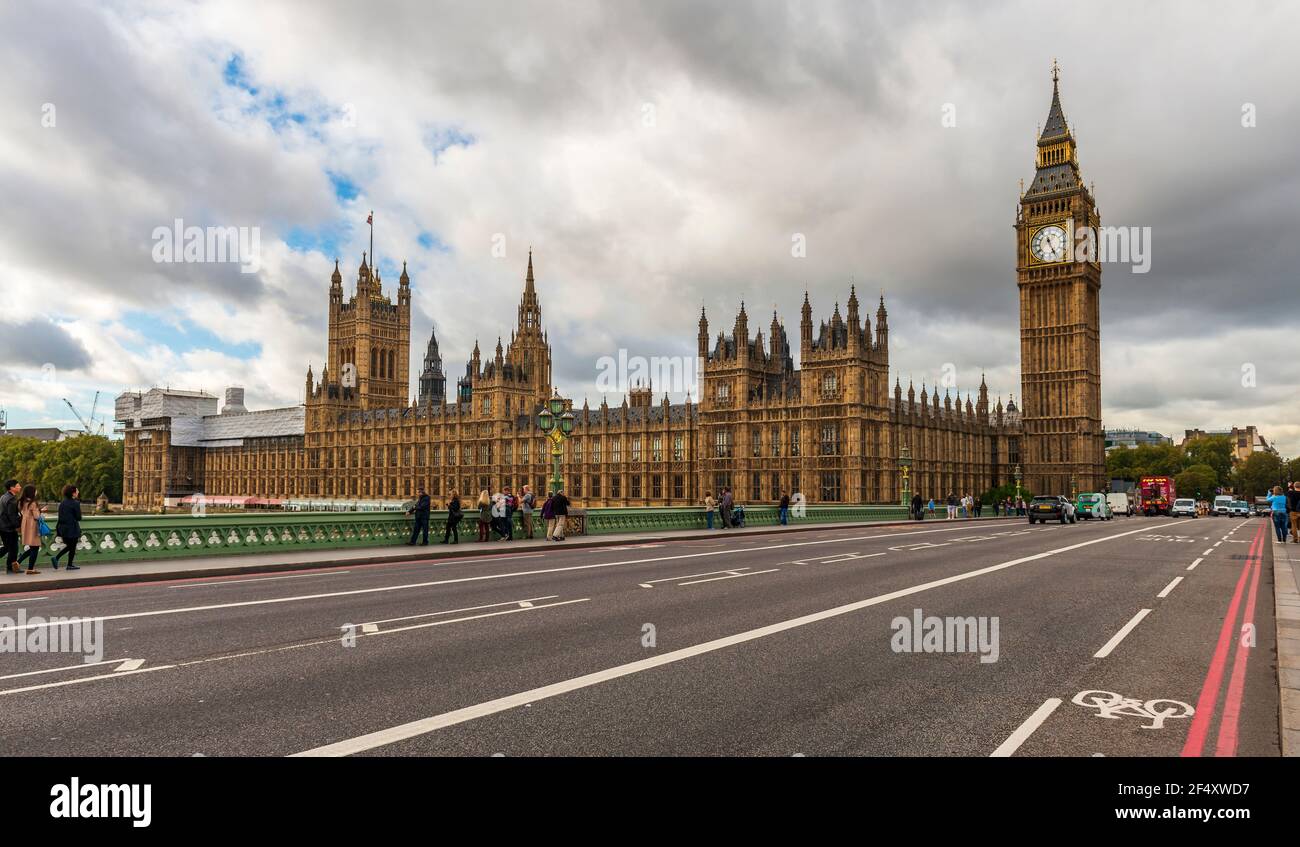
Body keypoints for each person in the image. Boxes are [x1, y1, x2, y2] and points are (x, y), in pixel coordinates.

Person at [50, 484, 82, 570]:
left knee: (70, 546)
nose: (78, 492)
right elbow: (79, 517)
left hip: (62, 528)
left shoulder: (62, 503)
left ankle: (57, 559)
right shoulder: (75, 503)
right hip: (72, 528)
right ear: (73, 493)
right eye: (77, 491)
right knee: (72, 547)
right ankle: (68, 564)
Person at [17, 484, 43, 575]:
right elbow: (37, 516)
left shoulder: (23, 502)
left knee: (32, 548)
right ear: (32, 492)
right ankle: (30, 569)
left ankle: (17, 562)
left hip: (25, 526)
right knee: (35, 547)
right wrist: (40, 511)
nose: (36, 492)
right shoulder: (33, 503)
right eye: (35, 490)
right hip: (33, 527)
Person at [0, 479, 21, 574]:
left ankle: (10, 568)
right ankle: (10, 568)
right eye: (18, 485)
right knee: (13, 548)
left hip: (2, 526)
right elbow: (12, 515)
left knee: (7, 547)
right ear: (12, 488)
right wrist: (18, 525)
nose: (20, 487)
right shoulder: (12, 499)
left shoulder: (3, 497)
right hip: (9, 528)